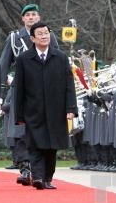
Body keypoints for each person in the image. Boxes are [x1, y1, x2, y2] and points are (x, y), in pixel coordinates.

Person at [0, 4, 59, 185]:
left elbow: (57, 58)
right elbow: (3, 64)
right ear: (23, 19)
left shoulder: (49, 35)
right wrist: (1, 90)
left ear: (39, 18)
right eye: (28, 15)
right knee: (20, 130)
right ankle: (25, 168)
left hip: (44, 89)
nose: (31, 17)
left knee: (40, 128)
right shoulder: (14, 38)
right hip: (21, 88)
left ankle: (38, 169)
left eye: (34, 14)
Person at [15, 22, 77, 190]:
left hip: (56, 110)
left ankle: (47, 178)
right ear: (33, 38)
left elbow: (69, 86)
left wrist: (71, 109)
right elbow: (19, 89)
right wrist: (19, 115)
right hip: (33, 110)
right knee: (34, 145)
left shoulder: (61, 57)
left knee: (51, 147)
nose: (44, 36)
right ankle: (38, 177)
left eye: (46, 33)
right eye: (40, 34)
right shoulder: (24, 59)